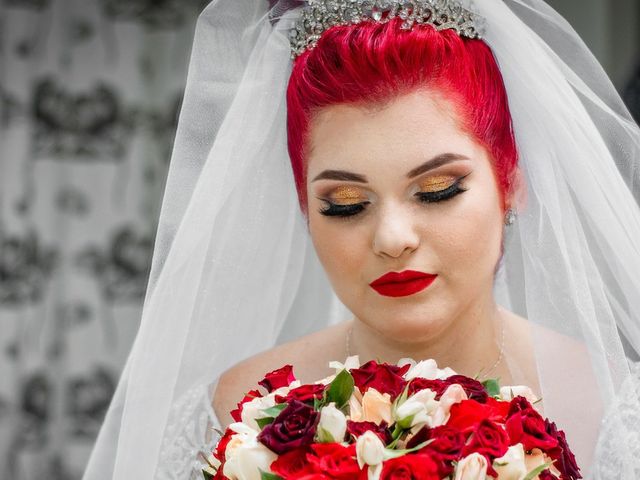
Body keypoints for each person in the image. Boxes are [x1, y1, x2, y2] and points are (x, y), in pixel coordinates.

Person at [83, 0, 640, 479]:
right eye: (346, 205)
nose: (393, 239)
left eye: (438, 190)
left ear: (511, 183)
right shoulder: (230, 414)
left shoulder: (617, 413)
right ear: (305, 208)